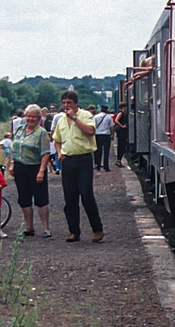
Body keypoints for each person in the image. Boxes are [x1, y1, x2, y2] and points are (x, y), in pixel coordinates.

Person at [53, 90, 103, 243]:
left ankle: (97, 229)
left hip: (84, 160)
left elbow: (90, 131)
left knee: (86, 195)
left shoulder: (86, 116)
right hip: (68, 161)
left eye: (69, 103)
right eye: (64, 103)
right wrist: (59, 152)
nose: (66, 106)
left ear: (75, 104)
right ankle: (74, 231)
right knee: (70, 197)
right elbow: (56, 139)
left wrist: (74, 118)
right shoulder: (61, 120)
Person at [10, 103, 52, 238]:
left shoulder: (42, 133)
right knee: (24, 198)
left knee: (41, 198)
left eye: (33, 117)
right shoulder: (20, 129)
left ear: (39, 118)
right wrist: (11, 164)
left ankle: (46, 228)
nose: (30, 119)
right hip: (20, 167)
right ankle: (29, 227)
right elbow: (14, 148)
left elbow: (45, 153)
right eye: (28, 116)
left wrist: (42, 171)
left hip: (35, 167)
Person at [94, 105, 114, 171]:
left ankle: (98, 166)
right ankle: (106, 166)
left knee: (98, 151)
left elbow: (93, 126)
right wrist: (112, 135)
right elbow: (112, 127)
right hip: (106, 135)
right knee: (106, 151)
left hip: (98, 135)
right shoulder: (108, 117)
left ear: (100, 109)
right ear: (106, 110)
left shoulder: (96, 117)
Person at [114, 102, 130, 167]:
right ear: (123, 107)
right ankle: (118, 160)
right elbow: (116, 120)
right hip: (121, 132)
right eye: (125, 107)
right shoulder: (121, 113)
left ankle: (119, 160)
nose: (127, 108)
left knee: (123, 146)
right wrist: (122, 126)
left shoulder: (125, 114)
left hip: (124, 131)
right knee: (121, 145)